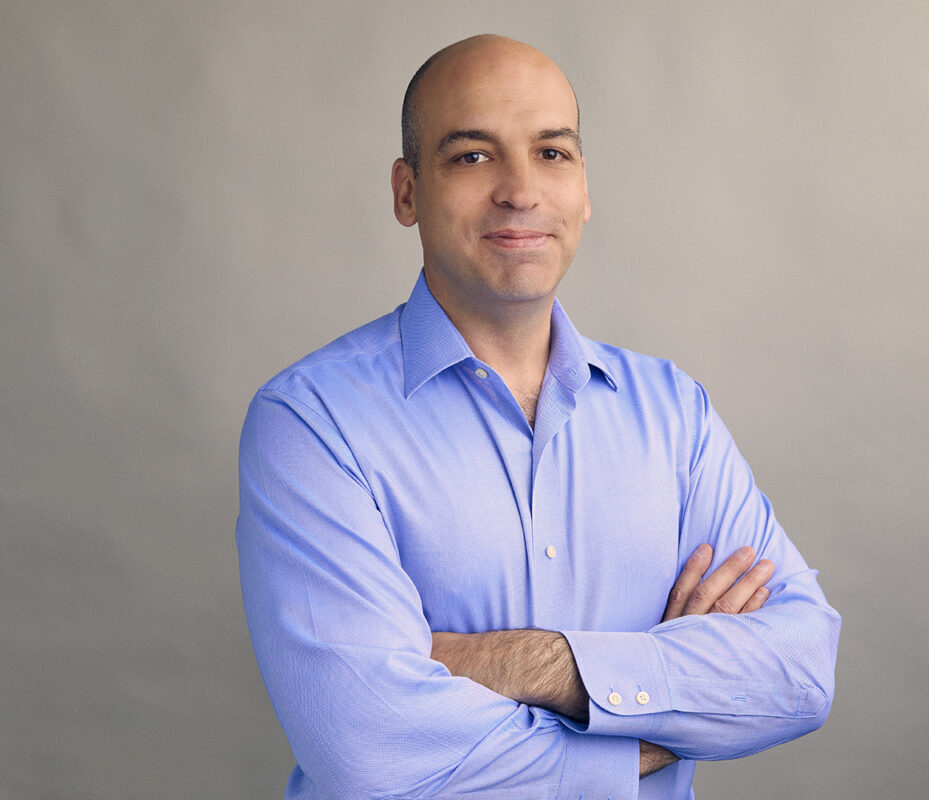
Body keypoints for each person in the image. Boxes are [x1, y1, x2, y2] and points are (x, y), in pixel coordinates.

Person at [236, 34, 840, 799]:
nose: (521, 190)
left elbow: (798, 670)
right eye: (472, 156)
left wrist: (531, 662)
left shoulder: (671, 413)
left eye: (552, 153)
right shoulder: (312, 422)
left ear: (584, 188)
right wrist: (654, 714)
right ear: (407, 192)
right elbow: (368, 747)